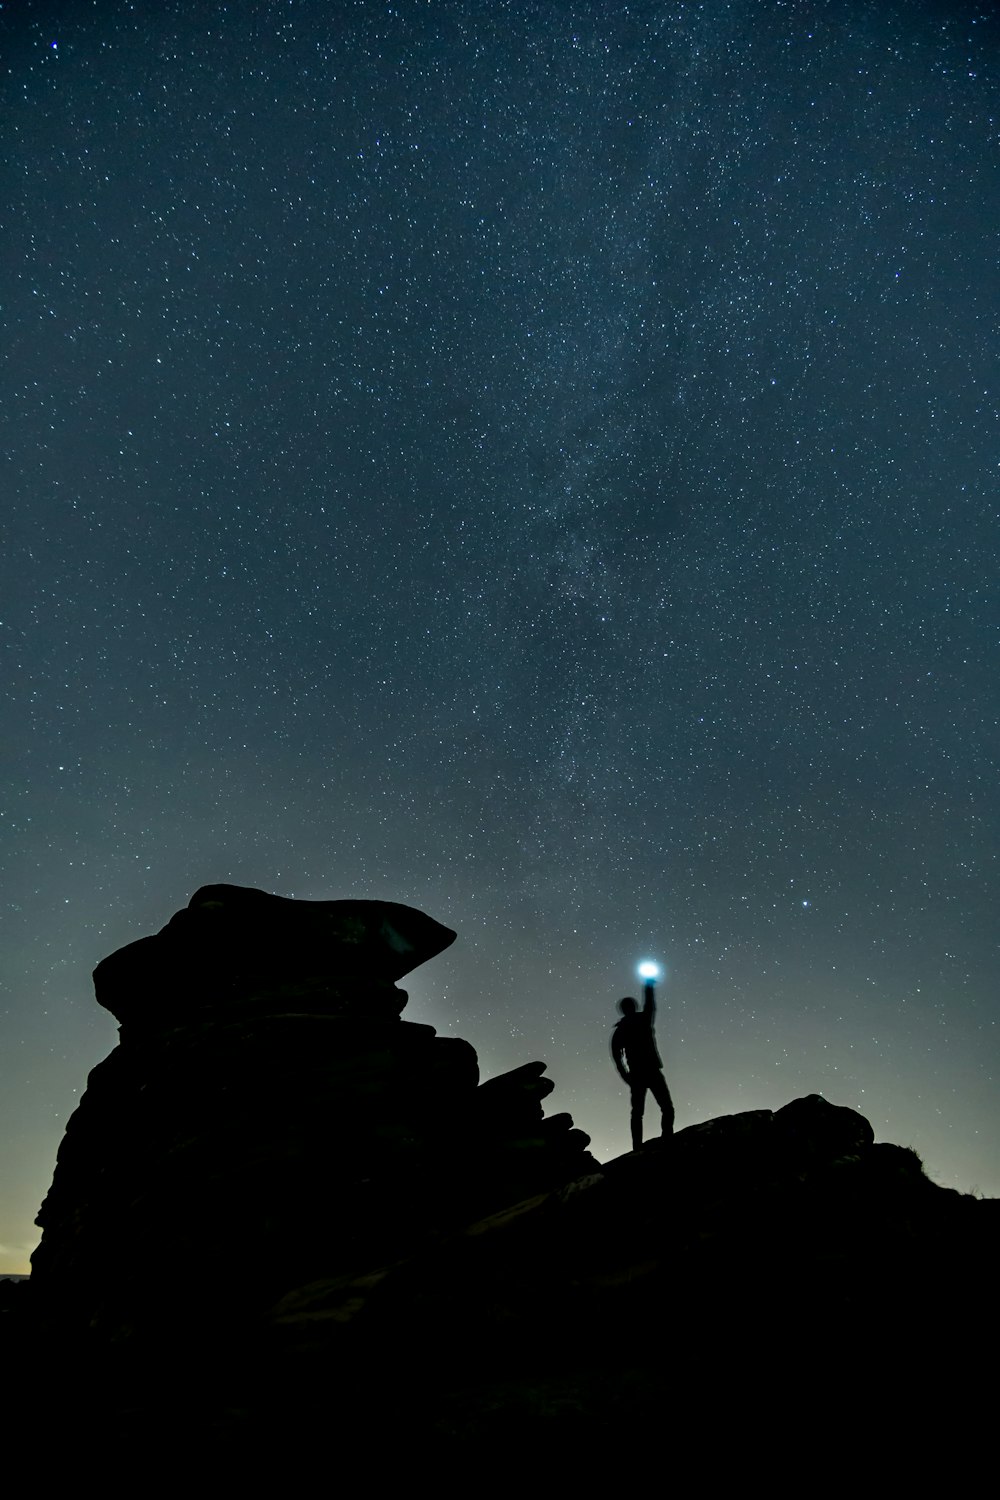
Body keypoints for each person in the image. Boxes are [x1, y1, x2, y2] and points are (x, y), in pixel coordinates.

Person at [611, 986, 674, 1150]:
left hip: (639, 1073)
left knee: (640, 1113)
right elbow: (650, 1005)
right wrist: (649, 987)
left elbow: (617, 1058)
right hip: (648, 1071)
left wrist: (626, 1077)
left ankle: (639, 1146)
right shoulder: (642, 1020)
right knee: (663, 1108)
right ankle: (665, 1138)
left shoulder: (623, 1029)